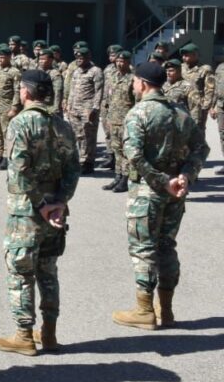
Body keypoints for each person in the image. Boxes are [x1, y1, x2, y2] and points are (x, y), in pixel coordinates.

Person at [112, 62, 207, 331]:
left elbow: (134, 156)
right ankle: (166, 310)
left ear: (142, 83)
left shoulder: (138, 113)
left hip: (148, 191)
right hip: (176, 191)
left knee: (144, 249)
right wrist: (185, 176)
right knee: (166, 246)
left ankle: (144, 310)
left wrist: (162, 182)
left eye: (134, 82)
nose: (133, 86)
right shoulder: (181, 113)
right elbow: (201, 148)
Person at [0, 70, 80, 356]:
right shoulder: (62, 125)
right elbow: (73, 168)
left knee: (21, 272)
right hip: (55, 209)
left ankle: (24, 335)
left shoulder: (21, 122)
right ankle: (50, 334)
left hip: (28, 212)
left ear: (26, 92)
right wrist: (60, 202)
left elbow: (19, 170)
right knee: (48, 271)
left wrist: (41, 205)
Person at [65, 47, 103, 173]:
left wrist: (95, 108)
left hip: (88, 108)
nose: (79, 60)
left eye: (82, 58)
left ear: (88, 58)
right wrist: (68, 105)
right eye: (77, 58)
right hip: (74, 109)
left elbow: (99, 91)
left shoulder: (95, 71)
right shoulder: (76, 72)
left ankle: (88, 162)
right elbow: (72, 91)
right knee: (78, 135)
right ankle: (81, 159)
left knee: (88, 135)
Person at [102, 51, 136, 193]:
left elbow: (136, 101)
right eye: (118, 61)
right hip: (113, 119)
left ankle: (126, 178)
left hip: (126, 121)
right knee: (116, 150)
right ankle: (118, 175)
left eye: (123, 61)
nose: (119, 63)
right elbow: (107, 98)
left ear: (128, 62)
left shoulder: (133, 79)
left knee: (125, 151)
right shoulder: (112, 77)